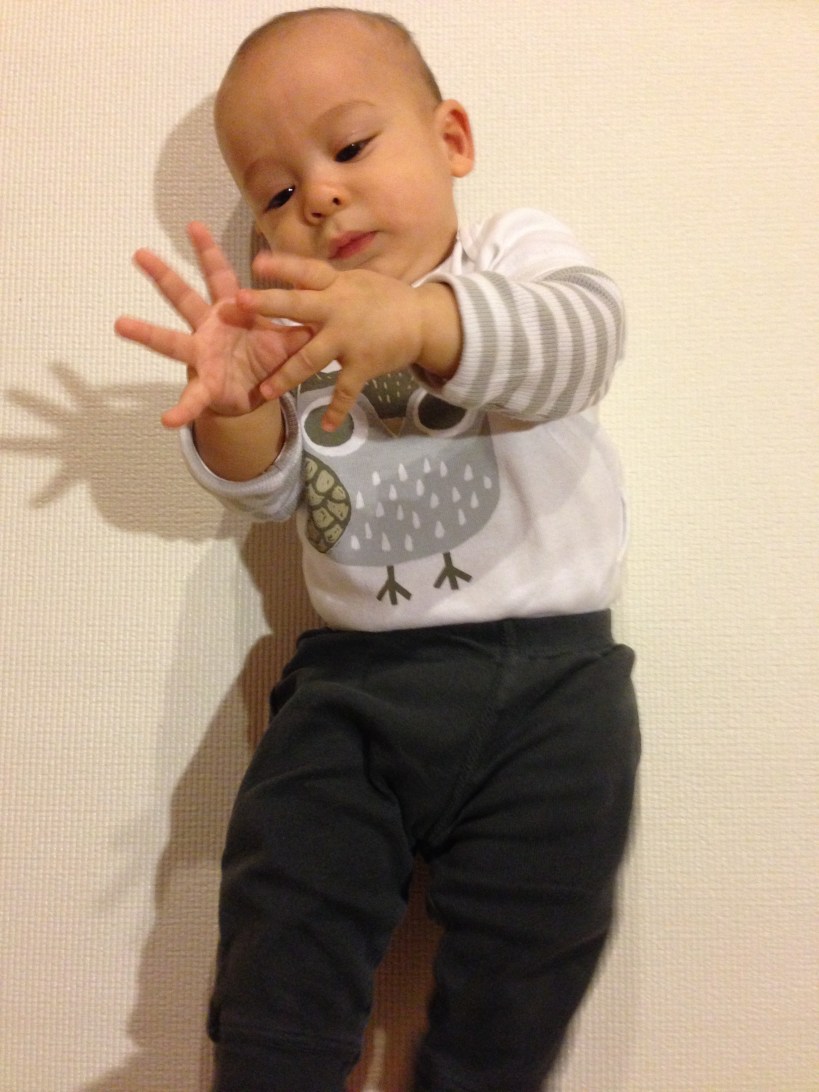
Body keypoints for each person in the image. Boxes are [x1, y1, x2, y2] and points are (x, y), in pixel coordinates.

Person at [116, 8, 640, 1091]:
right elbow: (267, 488)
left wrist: (418, 323)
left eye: (350, 147)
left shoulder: (512, 254)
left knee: (525, 974)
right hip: (355, 691)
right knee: (282, 938)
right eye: (274, 192)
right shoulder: (292, 323)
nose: (317, 196)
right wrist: (237, 403)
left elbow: (583, 345)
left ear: (451, 140)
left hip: (553, 694)